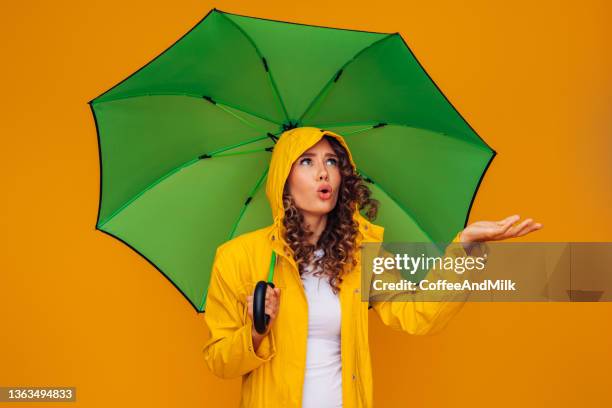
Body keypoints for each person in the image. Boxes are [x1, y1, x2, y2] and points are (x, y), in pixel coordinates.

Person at [202, 126, 542, 407]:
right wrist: (256, 332)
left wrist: (464, 248)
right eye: (306, 161)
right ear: (282, 180)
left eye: (332, 161)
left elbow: (418, 313)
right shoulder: (238, 257)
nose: (323, 172)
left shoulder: (360, 254)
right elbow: (220, 361)